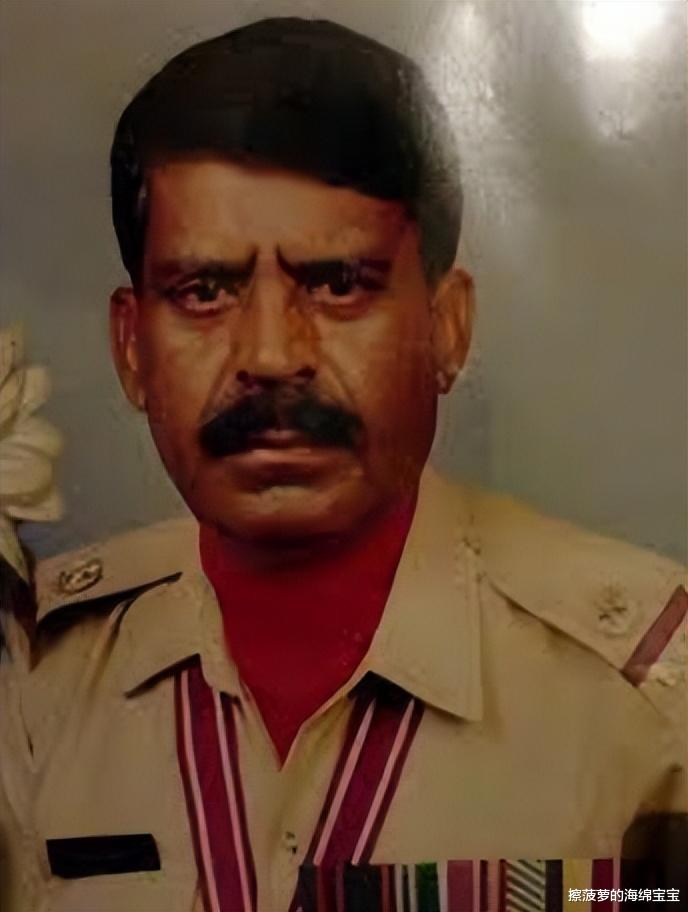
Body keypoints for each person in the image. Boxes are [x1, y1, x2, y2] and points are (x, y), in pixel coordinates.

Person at [0, 17, 685, 912]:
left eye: (337, 284)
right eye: (204, 291)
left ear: (447, 326)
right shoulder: (31, 685)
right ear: (132, 349)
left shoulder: (652, 698)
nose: (272, 355)